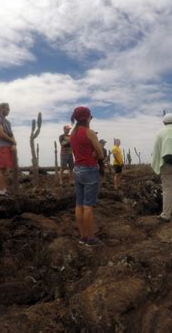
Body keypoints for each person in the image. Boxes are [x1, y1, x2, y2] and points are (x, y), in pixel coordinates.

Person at [69, 106, 104, 247]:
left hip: (77, 169)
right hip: (89, 169)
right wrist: (95, 154)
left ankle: (83, 236)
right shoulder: (89, 133)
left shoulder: (73, 134)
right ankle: (91, 239)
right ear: (87, 118)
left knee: (79, 204)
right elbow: (101, 154)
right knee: (88, 206)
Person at [0, 103, 17, 197]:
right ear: (1, 108)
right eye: (7, 108)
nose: (8, 110)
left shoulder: (7, 122)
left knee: (4, 169)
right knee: (1, 168)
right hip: (2, 146)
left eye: (9, 108)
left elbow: (11, 134)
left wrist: (14, 143)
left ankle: (4, 189)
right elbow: (1, 134)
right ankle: (1, 191)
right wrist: (13, 142)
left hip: (8, 147)